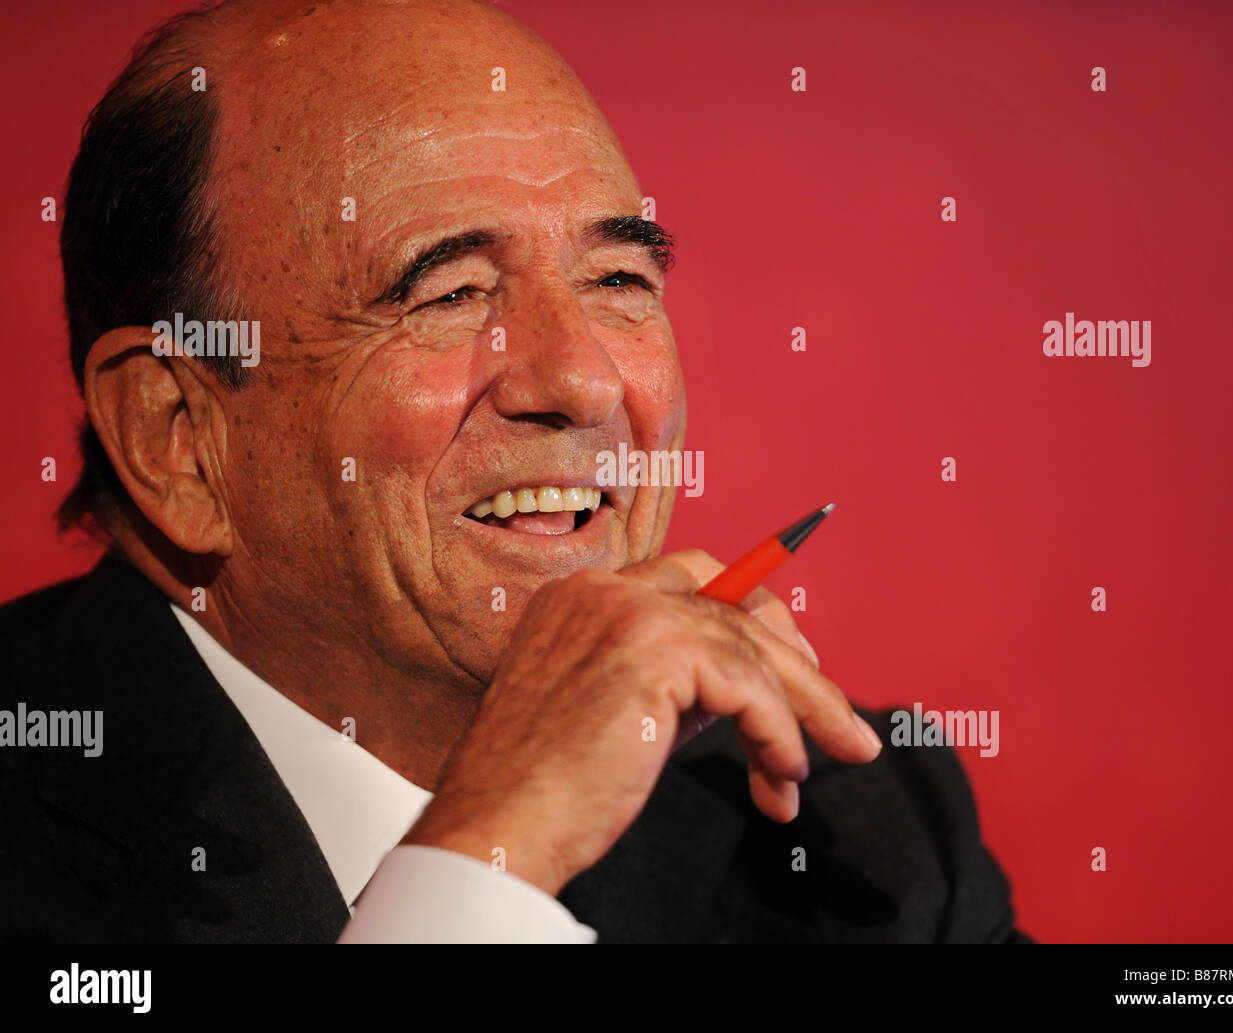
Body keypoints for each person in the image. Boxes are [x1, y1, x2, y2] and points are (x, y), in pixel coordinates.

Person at [0, 0, 1027, 943]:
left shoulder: (854, 838)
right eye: (446, 292)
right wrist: (478, 869)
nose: (582, 380)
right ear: (176, 434)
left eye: (618, 278)